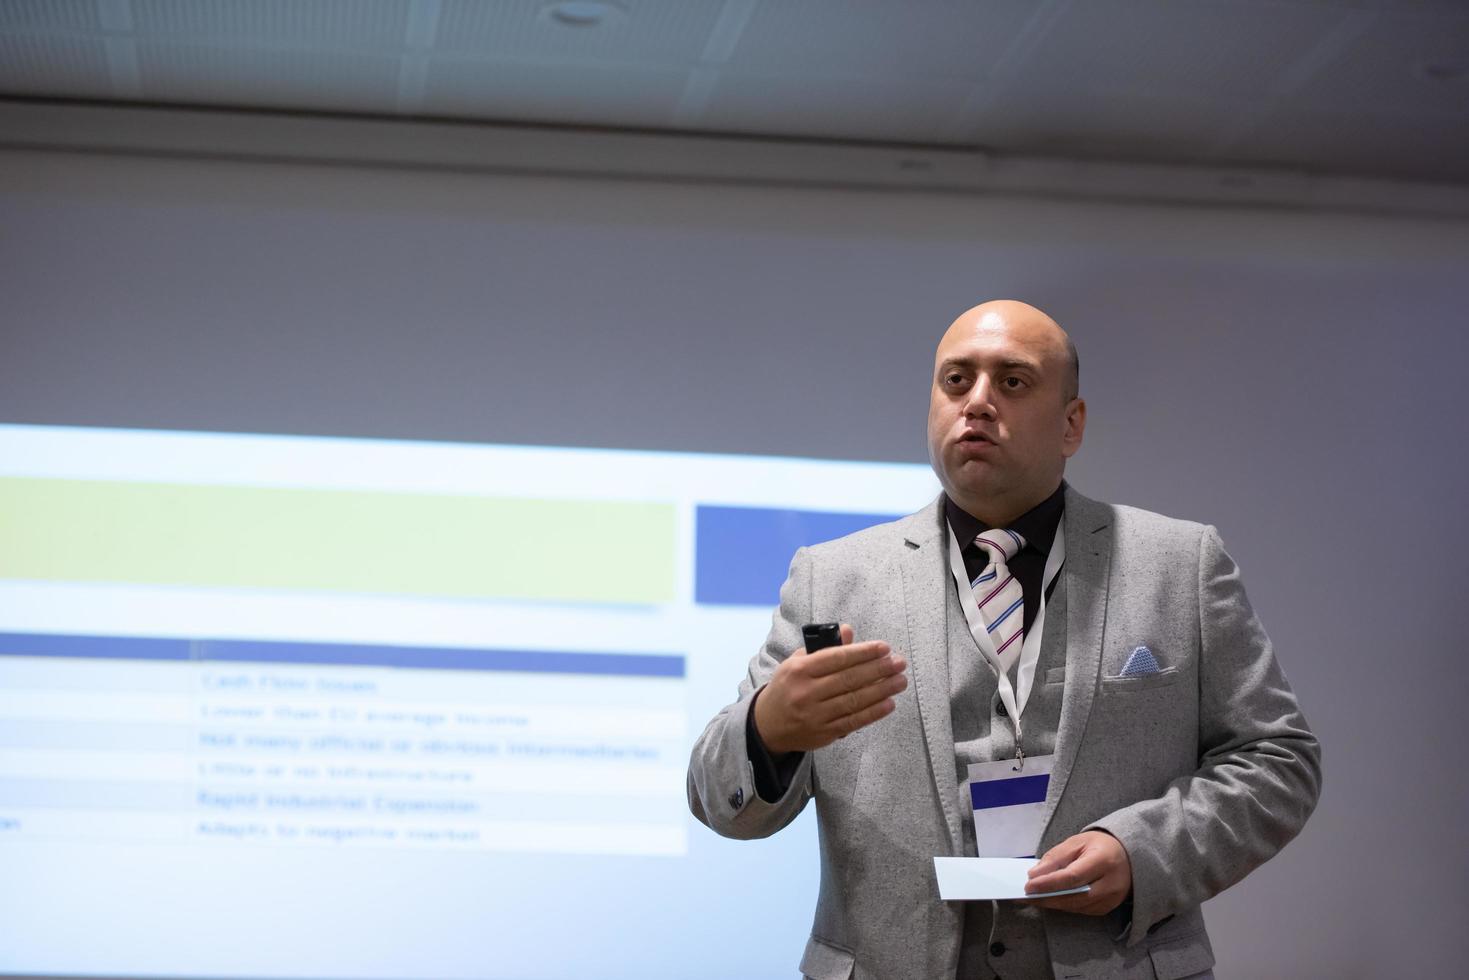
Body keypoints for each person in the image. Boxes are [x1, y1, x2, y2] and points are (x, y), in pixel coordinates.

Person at [686, 300, 1321, 980]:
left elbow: (1277, 760)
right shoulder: (831, 578)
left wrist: (1143, 854)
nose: (977, 402)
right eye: (955, 381)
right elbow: (718, 799)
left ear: (1070, 423)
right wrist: (768, 731)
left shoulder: (1179, 565)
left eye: (1012, 382)